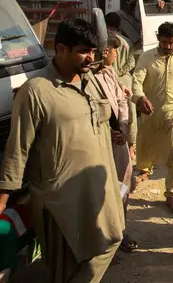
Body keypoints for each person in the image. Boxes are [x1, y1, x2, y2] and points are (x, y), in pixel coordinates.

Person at [0, 19, 124, 283]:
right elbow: (17, 149)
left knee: (111, 240)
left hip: (98, 189)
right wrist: (3, 199)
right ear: (61, 50)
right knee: (65, 267)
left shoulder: (91, 82)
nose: (90, 58)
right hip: (60, 199)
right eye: (83, 51)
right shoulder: (37, 91)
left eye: (93, 51)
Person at [132, 22, 173, 214]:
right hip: (151, 111)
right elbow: (137, 81)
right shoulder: (146, 57)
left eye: (171, 43)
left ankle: (172, 194)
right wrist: (140, 98)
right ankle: (145, 171)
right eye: (165, 42)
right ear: (158, 38)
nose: (167, 47)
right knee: (146, 146)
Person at [94, 32, 137, 254]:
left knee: (123, 186)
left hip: (119, 141)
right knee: (105, 190)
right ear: (106, 52)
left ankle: (120, 229)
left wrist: (122, 127)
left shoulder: (110, 72)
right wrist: (110, 132)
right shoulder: (91, 78)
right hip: (104, 145)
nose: (117, 55)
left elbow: (121, 101)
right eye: (115, 51)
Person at [105, 12, 137, 159]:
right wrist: (120, 72)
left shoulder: (105, 41)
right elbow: (131, 63)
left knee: (112, 114)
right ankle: (131, 148)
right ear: (119, 25)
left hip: (109, 80)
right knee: (130, 116)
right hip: (125, 80)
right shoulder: (127, 41)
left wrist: (114, 73)